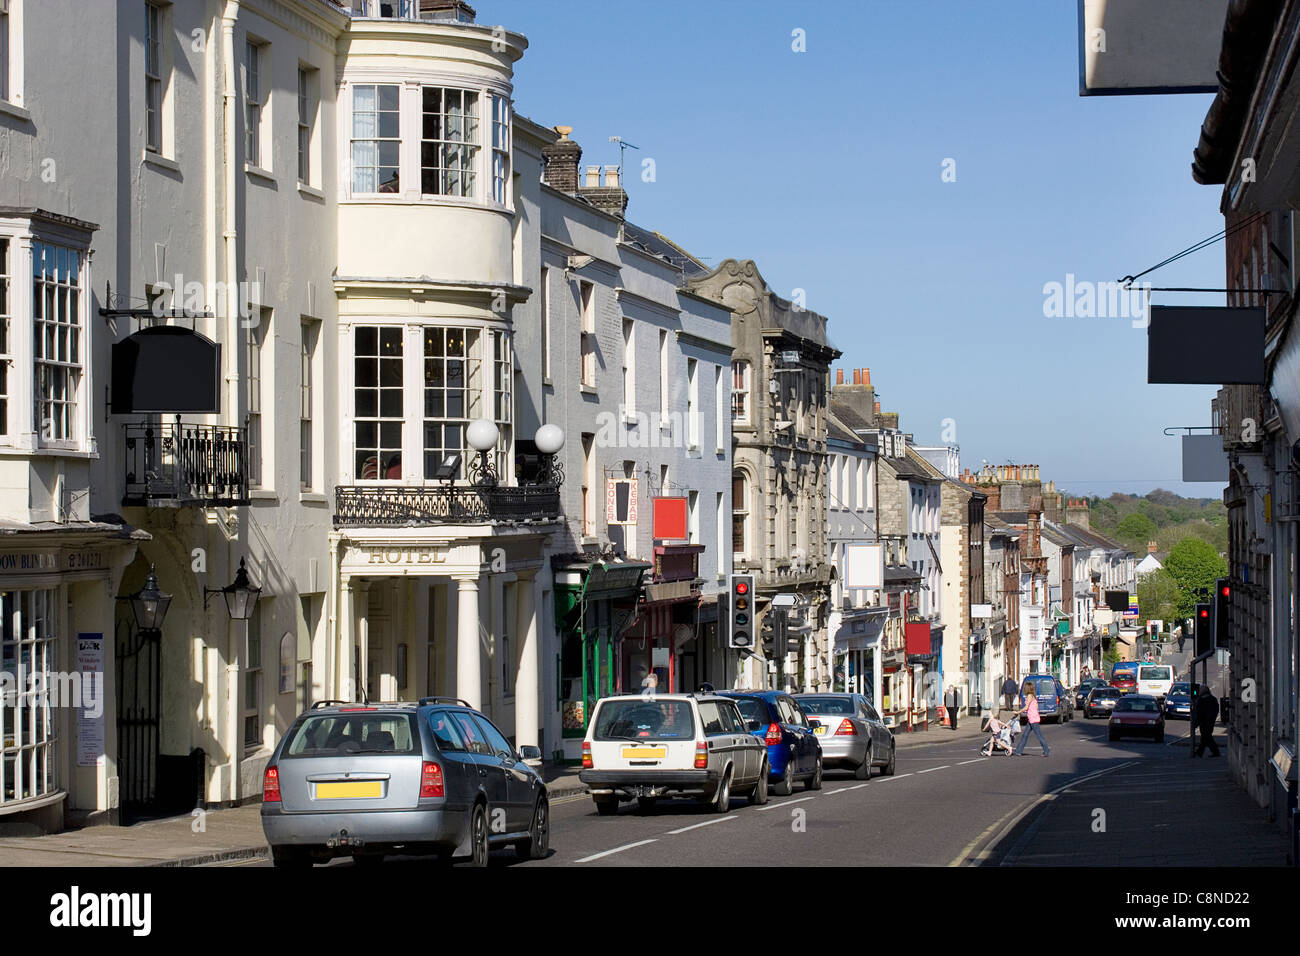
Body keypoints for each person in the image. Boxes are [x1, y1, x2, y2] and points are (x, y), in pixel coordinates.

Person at [1012, 680, 1051, 757]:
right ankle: (1018, 751)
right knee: (1025, 735)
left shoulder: (1030, 696)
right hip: (1031, 719)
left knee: (1039, 736)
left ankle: (1046, 750)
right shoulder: (1033, 696)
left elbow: (1026, 707)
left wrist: (1018, 712)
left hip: (1033, 719)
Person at [1193, 686, 1220, 757]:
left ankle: (1215, 752)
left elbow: (1199, 713)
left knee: (1207, 737)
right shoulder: (1213, 699)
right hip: (1211, 721)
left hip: (1204, 721)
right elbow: (1216, 709)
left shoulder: (1201, 700)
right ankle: (1200, 752)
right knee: (1205, 737)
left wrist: (1196, 723)